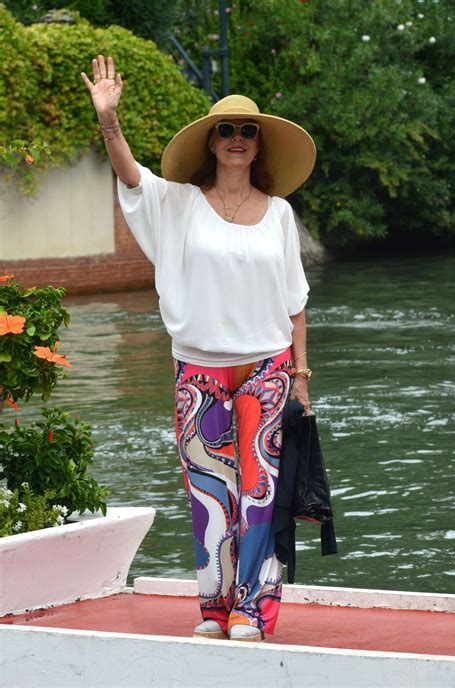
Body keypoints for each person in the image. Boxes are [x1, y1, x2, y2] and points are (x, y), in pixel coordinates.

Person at [81, 55, 317, 643]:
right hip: (200, 371)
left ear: (258, 145)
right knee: (211, 496)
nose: (237, 140)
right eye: (226, 131)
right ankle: (215, 609)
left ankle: (253, 611)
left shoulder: (281, 216)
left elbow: (296, 302)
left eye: (247, 131)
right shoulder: (178, 205)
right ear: (212, 143)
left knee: (259, 495)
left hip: (268, 369)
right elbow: (131, 176)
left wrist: (303, 378)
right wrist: (110, 122)